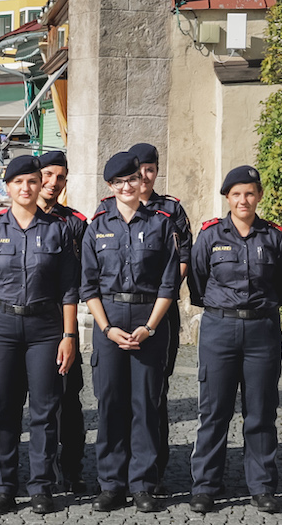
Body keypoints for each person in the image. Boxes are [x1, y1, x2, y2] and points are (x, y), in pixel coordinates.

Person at [0, 155, 79, 515]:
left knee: (45, 411)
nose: (26, 188)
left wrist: (69, 335)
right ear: (8, 187)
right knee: (1, 410)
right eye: (19, 183)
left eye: (32, 181)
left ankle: (42, 486)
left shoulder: (58, 229)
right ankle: (2, 487)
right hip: (0, 326)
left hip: (45, 328)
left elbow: (69, 289)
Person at [187, 165, 282, 515]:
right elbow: (198, 284)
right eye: (236, 194)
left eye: (249, 193)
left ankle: (262, 486)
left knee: (261, 412)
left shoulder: (275, 236)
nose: (243, 200)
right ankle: (206, 486)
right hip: (220, 329)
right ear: (227, 198)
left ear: (259, 195)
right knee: (214, 411)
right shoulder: (209, 235)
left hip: (262, 331)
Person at [80, 152, 180, 513]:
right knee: (110, 404)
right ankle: (111, 483)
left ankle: (143, 483)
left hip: (148, 317)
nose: (127, 187)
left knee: (146, 406)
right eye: (119, 182)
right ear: (110, 186)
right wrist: (106, 329)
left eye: (132, 180)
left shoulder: (162, 224)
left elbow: (169, 285)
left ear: (142, 182)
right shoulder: (97, 226)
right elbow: (87, 286)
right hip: (109, 317)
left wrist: (150, 327)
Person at [126, 143, 192, 491]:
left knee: (155, 392)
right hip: (123, 311)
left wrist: (161, 296)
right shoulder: (114, 208)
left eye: (150, 169)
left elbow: (184, 257)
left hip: (160, 312)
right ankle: (122, 467)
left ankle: (156, 467)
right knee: (121, 393)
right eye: (139, 172)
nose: (145, 177)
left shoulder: (172, 210)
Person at [35, 150, 88, 495]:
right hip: (19, 322)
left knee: (68, 402)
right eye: (48, 175)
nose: (53, 183)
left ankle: (70, 470)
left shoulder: (75, 223)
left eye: (61, 178)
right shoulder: (11, 219)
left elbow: (85, 275)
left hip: (60, 320)